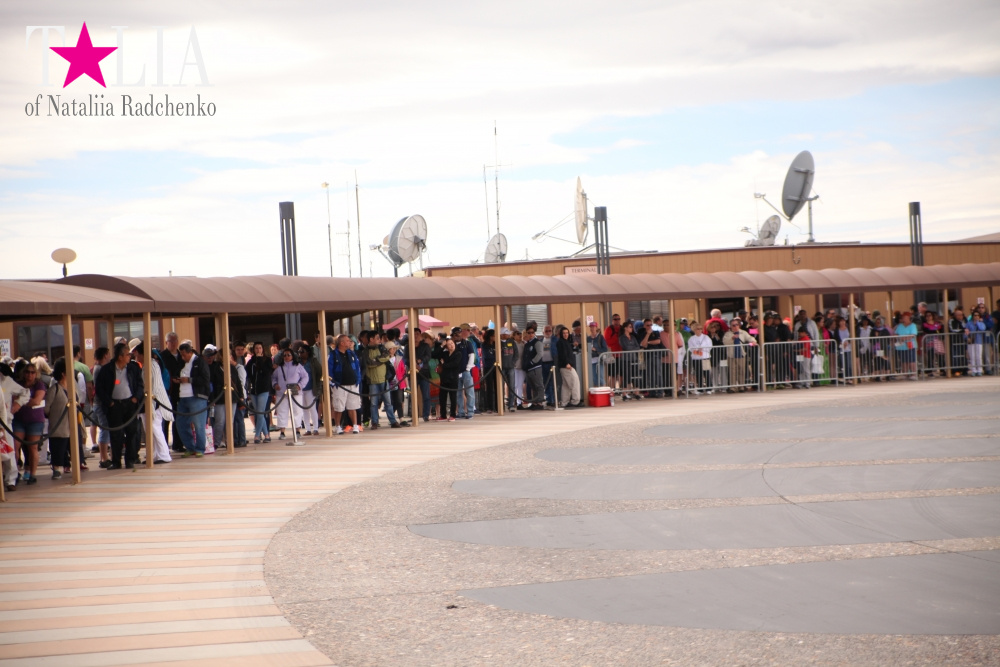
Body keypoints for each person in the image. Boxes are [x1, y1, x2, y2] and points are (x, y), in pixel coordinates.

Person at [94, 342, 144, 469]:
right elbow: (99, 388)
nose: (130, 356)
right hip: (115, 405)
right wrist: (109, 402)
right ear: (120, 356)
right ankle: (116, 461)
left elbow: (140, 384)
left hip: (130, 404)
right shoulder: (107, 369)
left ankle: (130, 460)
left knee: (131, 432)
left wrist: (136, 398)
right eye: (127, 354)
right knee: (116, 434)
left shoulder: (133, 368)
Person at [131, 341, 174, 464]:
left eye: (137, 355)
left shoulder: (152, 365)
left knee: (155, 428)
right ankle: (154, 455)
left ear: (142, 354)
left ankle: (164, 455)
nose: (136, 357)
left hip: (155, 402)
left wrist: (150, 401)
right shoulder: (148, 365)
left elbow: (154, 386)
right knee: (151, 430)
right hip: (149, 401)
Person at [175, 342, 211, 457]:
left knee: (199, 424)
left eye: (184, 354)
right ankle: (190, 447)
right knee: (181, 423)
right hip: (182, 397)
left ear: (190, 352)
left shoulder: (200, 361)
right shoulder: (182, 362)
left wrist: (189, 380)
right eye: (181, 355)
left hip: (197, 397)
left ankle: (200, 448)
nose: (182, 357)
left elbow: (205, 379)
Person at [362, 331, 401, 429]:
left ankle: (393, 421)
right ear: (371, 339)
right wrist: (380, 361)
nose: (379, 340)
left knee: (388, 402)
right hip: (372, 381)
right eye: (377, 338)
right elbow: (368, 363)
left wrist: (375, 360)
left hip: (384, 379)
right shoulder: (365, 351)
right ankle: (374, 422)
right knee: (373, 403)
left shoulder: (382, 347)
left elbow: (386, 356)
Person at [44, 358, 73, 479]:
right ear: (63, 373)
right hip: (58, 427)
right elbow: (46, 408)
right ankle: (56, 469)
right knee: (57, 448)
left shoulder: (71, 387)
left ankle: (69, 465)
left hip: (71, 426)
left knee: (70, 447)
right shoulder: (54, 389)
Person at [273, 346, 308, 439]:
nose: (287, 357)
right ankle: (282, 432)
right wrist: (275, 384)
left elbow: (305, 376)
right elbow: (273, 378)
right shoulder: (279, 367)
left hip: (295, 391)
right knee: (282, 411)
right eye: (285, 355)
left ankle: (297, 430)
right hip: (282, 392)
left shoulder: (298, 366)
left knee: (297, 411)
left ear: (292, 356)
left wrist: (300, 385)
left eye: (288, 355)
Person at [329, 334, 362, 434]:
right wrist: (332, 382)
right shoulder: (333, 355)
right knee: (339, 407)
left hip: (353, 384)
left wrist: (358, 379)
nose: (350, 342)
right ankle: (338, 426)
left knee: (353, 406)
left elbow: (357, 367)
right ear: (342, 343)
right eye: (348, 341)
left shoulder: (351, 354)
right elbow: (329, 369)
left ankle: (355, 425)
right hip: (339, 385)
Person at [160, 332, 184, 453]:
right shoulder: (162, 356)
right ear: (166, 343)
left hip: (180, 391)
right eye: (171, 341)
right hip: (167, 391)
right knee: (165, 420)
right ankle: (164, 446)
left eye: (175, 341)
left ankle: (177, 444)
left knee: (178, 418)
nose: (173, 343)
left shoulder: (181, 355)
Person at [245, 342, 274, 444]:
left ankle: (257, 435)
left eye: (260, 348)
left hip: (263, 389)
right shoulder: (251, 361)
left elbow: (267, 372)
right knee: (258, 413)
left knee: (260, 412)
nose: (258, 350)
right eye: (256, 348)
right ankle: (266, 435)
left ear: (263, 349)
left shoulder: (267, 360)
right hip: (253, 390)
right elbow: (248, 374)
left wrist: (260, 360)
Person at [296, 344, 322, 435]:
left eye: (302, 351)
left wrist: (318, 386)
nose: (300, 353)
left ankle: (315, 428)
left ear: (308, 352)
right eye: (299, 352)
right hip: (300, 389)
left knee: (312, 408)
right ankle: (307, 429)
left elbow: (319, 373)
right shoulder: (297, 362)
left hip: (311, 388)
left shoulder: (313, 362)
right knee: (304, 409)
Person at [723, 318, 754, 390]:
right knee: (732, 371)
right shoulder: (728, 334)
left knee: (742, 370)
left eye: (737, 325)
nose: (735, 326)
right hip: (731, 355)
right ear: (730, 326)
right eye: (733, 325)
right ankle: (733, 387)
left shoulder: (743, 332)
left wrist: (753, 341)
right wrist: (732, 338)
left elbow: (749, 338)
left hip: (741, 354)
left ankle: (741, 386)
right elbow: (725, 342)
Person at [437, 337, 462, 421]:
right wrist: (442, 346)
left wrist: (444, 365)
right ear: (446, 347)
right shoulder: (445, 353)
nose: (451, 345)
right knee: (442, 397)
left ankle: (453, 415)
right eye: (449, 344)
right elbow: (436, 355)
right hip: (444, 377)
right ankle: (443, 415)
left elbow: (454, 364)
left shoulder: (458, 353)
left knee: (453, 397)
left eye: (452, 343)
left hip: (453, 378)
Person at [555, 326, 582, 407]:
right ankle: (575, 401)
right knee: (574, 382)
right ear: (561, 334)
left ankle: (564, 402)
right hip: (566, 366)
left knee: (566, 385)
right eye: (564, 333)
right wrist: (567, 363)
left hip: (564, 366)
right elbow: (563, 354)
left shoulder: (566, 342)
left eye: (567, 333)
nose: (565, 334)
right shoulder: (561, 342)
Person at [522, 327, 546, 410]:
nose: (530, 334)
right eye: (529, 333)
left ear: (534, 333)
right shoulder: (527, 344)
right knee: (533, 386)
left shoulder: (537, 342)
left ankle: (539, 403)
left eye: (532, 332)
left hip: (535, 368)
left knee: (538, 385)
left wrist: (533, 362)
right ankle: (535, 402)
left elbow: (540, 354)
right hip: (528, 369)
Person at [687, 322, 713, 394]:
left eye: (700, 329)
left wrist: (703, 349)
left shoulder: (706, 337)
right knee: (698, 373)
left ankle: (709, 388)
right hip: (696, 358)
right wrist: (697, 351)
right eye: (697, 329)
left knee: (707, 373)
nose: (699, 330)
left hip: (705, 357)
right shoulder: (691, 339)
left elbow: (710, 346)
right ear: (694, 330)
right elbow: (691, 348)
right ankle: (700, 388)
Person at [617, 320, 641, 399]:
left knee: (636, 376)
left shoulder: (633, 337)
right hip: (626, 359)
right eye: (630, 327)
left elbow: (638, 347)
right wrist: (633, 348)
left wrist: (632, 348)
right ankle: (624, 393)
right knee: (626, 376)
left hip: (634, 358)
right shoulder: (622, 338)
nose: (631, 328)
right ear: (625, 328)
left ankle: (636, 393)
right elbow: (626, 347)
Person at [894, 311, 919, 379]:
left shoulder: (913, 325)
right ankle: (905, 373)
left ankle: (913, 374)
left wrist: (903, 338)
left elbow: (913, 335)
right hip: (901, 346)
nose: (903, 319)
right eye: (903, 317)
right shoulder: (900, 326)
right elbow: (896, 334)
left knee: (911, 360)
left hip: (910, 345)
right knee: (903, 361)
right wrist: (899, 338)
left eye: (905, 317)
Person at [414, 332, 433, 422]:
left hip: (424, 372)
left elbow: (428, 356)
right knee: (413, 396)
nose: (416, 336)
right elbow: (405, 358)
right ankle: (414, 415)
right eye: (414, 334)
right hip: (412, 373)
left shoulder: (425, 346)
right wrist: (413, 363)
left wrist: (420, 361)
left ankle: (426, 414)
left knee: (426, 395)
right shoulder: (408, 346)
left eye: (417, 334)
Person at [586, 322, 608, 389]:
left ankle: (603, 390)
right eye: (591, 327)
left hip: (599, 359)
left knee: (601, 376)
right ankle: (596, 391)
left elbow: (605, 348)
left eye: (593, 327)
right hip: (591, 359)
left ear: (596, 328)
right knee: (594, 377)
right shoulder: (588, 338)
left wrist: (596, 349)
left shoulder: (600, 337)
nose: (592, 328)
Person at [947, 308, 968, 376]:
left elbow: (966, 328)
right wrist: (962, 330)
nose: (960, 316)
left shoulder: (964, 320)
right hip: (954, 341)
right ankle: (955, 370)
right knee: (955, 355)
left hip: (962, 340)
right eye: (958, 315)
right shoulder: (951, 321)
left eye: (961, 315)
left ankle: (964, 369)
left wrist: (963, 328)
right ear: (955, 315)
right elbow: (952, 329)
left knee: (963, 355)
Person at [967, 310, 987, 376]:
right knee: (972, 356)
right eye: (975, 315)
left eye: (978, 315)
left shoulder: (981, 323)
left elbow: (982, 329)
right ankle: (973, 370)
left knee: (979, 356)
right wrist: (967, 338)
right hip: (971, 341)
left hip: (979, 341)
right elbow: (966, 331)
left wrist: (978, 323)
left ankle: (979, 370)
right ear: (973, 316)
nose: (976, 316)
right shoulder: (969, 323)